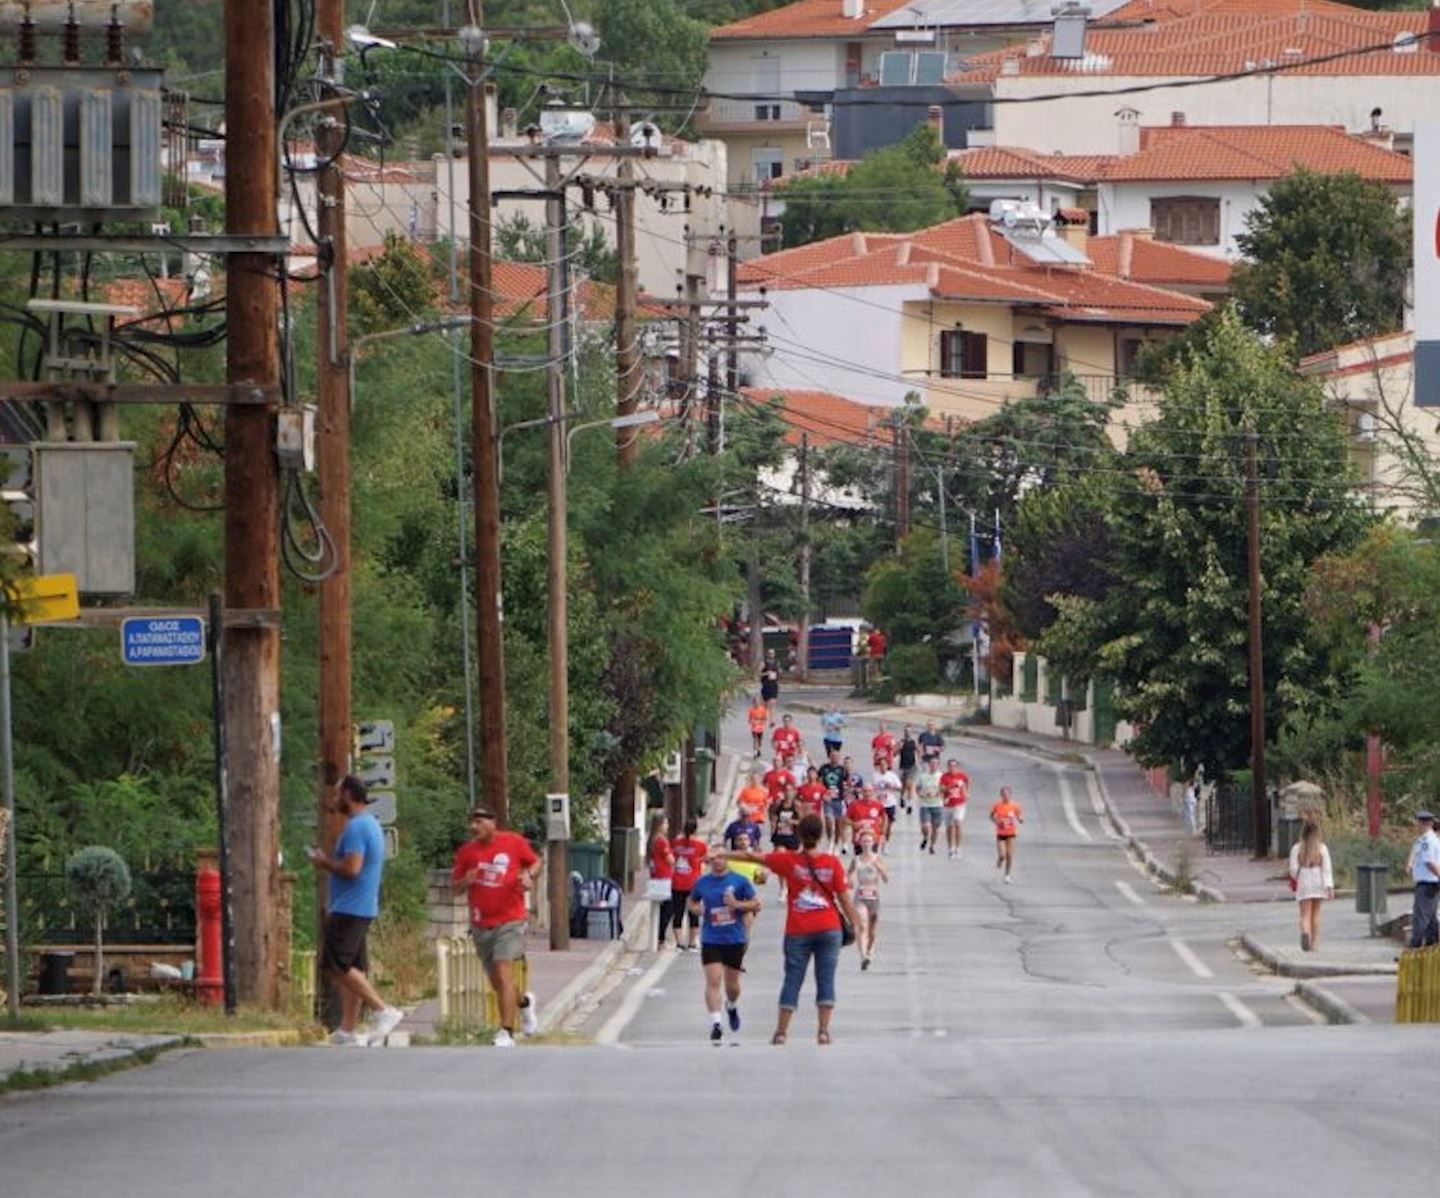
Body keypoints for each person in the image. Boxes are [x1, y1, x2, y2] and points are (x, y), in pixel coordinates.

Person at [729, 814, 857, 1046]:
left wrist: (722, 854)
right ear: (821, 836)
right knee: (826, 979)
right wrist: (856, 924)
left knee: (793, 979)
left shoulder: (788, 861)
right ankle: (823, 1031)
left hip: (798, 929)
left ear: (799, 835)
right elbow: (845, 899)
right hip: (829, 928)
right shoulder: (832, 863)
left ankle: (781, 1032)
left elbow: (751, 856)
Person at [308, 775, 405, 1046]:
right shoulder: (369, 824)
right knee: (351, 968)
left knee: (335, 964)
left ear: (349, 795)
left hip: (351, 907)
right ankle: (347, 1030)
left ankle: (382, 1010)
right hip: (360, 906)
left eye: (338, 793)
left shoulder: (357, 828)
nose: (334, 798)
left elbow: (352, 868)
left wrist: (324, 862)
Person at [451, 804, 542, 1048]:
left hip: (510, 920)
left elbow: (535, 862)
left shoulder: (513, 842)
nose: (474, 826)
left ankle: (506, 1032)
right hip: (481, 923)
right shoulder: (467, 852)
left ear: (493, 822)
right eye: (472, 822)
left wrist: (528, 875)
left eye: (480, 821)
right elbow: (454, 888)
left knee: (503, 973)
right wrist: (464, 881)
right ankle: (524, 1003)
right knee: (498, 983)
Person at [688, 848, 761, 1044]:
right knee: (713, 980)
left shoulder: (740, 881)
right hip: (711, 938)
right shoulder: (702, 882)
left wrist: (737, 905)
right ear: (709, 861)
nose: (718, 861)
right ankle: (716, 1023)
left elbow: (756, 904)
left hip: (734, 938)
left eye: (721, 857)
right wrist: (698, 909)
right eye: (714, 858)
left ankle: (731, 1005)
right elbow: (691, 902)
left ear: (727, 859)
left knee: (732, 986)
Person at [1287, 817, 1334, 953]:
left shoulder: (1297, 848)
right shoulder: (1322, 848)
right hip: (1318, 880)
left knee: (1305, 914)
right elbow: (1327, 868)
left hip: (1304, 880)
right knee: (1316, 914)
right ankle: (1314, 944)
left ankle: (1305, 932)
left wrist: (1296, 877)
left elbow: (1293, 869)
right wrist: (1329, 886)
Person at [848, 831, 889, 970]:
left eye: (869, 841)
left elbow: (886, 879)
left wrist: (880, 869)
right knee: (862, 926)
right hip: (860, 896)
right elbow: (849, 874)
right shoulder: (856, 859)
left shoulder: (877, 858)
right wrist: (849, 880)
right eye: (864, 841)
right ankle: (863, 956)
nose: (866, 844)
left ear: (873, 843)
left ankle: (870, 951)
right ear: (860, 843)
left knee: (872, 932)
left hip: (874, 896)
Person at [671, 817, 710, 951]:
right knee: (693, 913)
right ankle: (693, 942)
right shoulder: (701, 846)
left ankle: (679, 942)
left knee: (678, 913)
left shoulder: (676, 843)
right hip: (694, 882)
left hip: (677, 881)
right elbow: (706, 860)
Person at [1408, 810, 1440, 949]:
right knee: (1431, 918)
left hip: (1427, 884)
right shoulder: (1427, 840)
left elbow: (1429, 862)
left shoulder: (1428, 841)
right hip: (1430, 883)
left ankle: (1414, 948)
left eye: (1420, 823)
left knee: (1421, 917)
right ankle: (1431, 947)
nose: (1418, 825)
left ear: (1424, 824)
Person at [645, 811, 677, 952]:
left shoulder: (651, 840)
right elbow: (670, 860)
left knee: (661, 909)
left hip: (656, 876)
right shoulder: (662, 841)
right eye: (665, 823)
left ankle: (658, 938)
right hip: (664, 877)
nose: (667, 826)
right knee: (668, 910)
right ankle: (661, 939)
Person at [991, 786, 1025, 883]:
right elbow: (991, 816)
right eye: (1004, 794)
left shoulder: (1015, 806)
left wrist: (1021, 819)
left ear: (1010, 795)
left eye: (1007, 794)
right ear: (1001, 795)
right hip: (1001, 833)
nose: (1006, 796)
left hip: (1011, 833)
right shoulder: (997, 805)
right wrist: (996, 821)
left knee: (1009, 855)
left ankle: (1007, 875)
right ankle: (1000, 859)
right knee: (1003, 855)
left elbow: (1019, 815)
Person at [816, 749, 848, 853]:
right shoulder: (824, 768)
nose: (834, 758)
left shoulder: (842, 769)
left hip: (838, 799)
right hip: (828, 799)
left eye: (836, 756)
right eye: (832, 756)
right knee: (828, 820)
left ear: (839, 758)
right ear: (829, 757)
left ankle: (836, 843)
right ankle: (830, 841)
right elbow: (818, 781)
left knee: (838, 823)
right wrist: (822, 793)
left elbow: (848, 783)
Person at [940, 758, 970, 859]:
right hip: (948, 804)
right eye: (950, 766)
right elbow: (941, 789)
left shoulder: (962, 776)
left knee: (957, 823)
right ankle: (951, 848)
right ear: (948, 767)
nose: (952, 768)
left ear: (957, 767)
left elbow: (967, 784)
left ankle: (958, 848)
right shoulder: (944, 776)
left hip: (959, 804)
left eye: (954, 766)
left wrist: (966, 793)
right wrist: (951, 786)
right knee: (949, 827)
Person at [843, 785, 887, 855]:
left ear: (873, 792)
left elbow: (885, 817)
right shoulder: (854, 805)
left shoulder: (878, 805)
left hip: (873, 837)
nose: (867, 793)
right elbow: (845, 819)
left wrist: (883, 832)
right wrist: (853, 823)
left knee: (872, 860)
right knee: (859, 861)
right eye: (865, 791)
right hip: (859, 839)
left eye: (870, 791)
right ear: (862, 793)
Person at [915, 758, 943, 854]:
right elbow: (917, 788)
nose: (933, 765)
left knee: (935, 827)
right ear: (929, 765)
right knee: (925, 826)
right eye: (931, 763)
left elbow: (944, 788)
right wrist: (920, 794)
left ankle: (932, 846)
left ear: (938, 765)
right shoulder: (923, 776)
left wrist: (937, 794)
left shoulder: (941, 776)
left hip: (937, 804)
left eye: (935, 764)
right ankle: (926, 837)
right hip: (925, 804)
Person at [874, 760, 902, 851]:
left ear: (887, 766)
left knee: (889, 825)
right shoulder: (875, 776)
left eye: (884, 765)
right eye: (881, 765)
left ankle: (886, 844)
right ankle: (877, 843)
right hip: (878, 804)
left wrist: (892, 786)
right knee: (878, 824)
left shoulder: (892, 775)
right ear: (878, 766)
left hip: (890, 803)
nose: (882, 767)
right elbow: (871, 788)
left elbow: (899, 787)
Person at [770, 784, 803, 851]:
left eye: (790, 790)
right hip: (780, 835)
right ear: (783, 792)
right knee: (780, 855)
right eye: (786, 790)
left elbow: (802, 822)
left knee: (791, 858)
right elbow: (772, 814)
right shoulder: (778, 803)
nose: (788, 792)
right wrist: (774, 824)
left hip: (792, 836)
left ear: (794, 792)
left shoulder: (797, 805)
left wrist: (792, 821)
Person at [897, 725, 919, 813]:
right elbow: (894, 753)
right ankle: (902, 797)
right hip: (903, 766)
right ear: (904, 732)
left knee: (909, 785)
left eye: (909, 731)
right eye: (906, 731)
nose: (907, 733)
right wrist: (899, 747)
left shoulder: (913, 742)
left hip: (912, 767)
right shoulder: (901, 742)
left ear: (911, 733)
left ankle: (909, 805)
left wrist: (920, 755)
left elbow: (918, 751)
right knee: (903, 786)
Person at [759, 650, 781, 723]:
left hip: (774, 684)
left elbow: (779, 672)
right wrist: (766, 673)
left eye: (772, 653)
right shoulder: (764, 663)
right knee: (765, 704)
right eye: (770, 653)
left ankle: (771, 720)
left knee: (772, 702)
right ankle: (763, 717)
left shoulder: (777, 663)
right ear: (767, 654)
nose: (771, 655)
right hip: (766, 684)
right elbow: (758, 673)